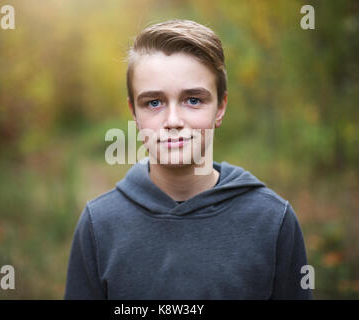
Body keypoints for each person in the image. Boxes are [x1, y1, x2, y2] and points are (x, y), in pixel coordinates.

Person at [64, 19, 313, 299]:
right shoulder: (99, 224)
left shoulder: (273, 221)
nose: (173, 121)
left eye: (193, 100)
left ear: (220, 107)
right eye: (153, 103)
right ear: (134, 112)